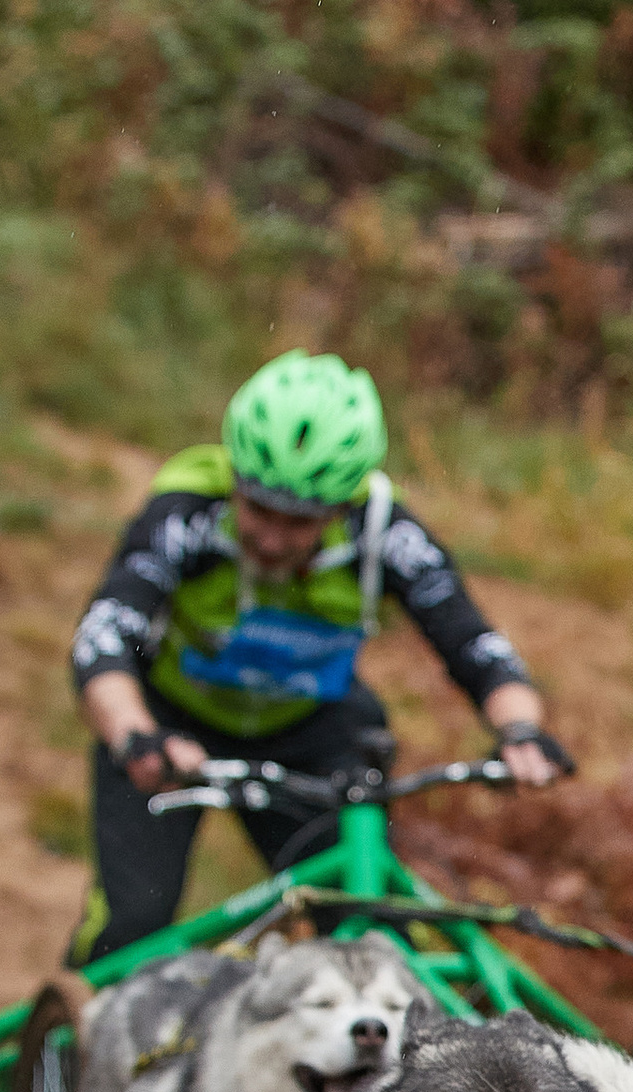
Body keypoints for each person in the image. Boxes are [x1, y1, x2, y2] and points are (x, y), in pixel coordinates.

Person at [65, 348, 572, 964]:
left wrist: (520, 729)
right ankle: (62, 1046)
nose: (271, 538)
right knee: (134, 925)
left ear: (338, 508)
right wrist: (135, 736)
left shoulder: (383, 533)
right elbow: (105, 634)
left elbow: (472, 643)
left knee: (374, 941)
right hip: (170, 727)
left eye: (298, 521)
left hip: (311, 738)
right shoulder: (186, 513)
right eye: (257, 508)